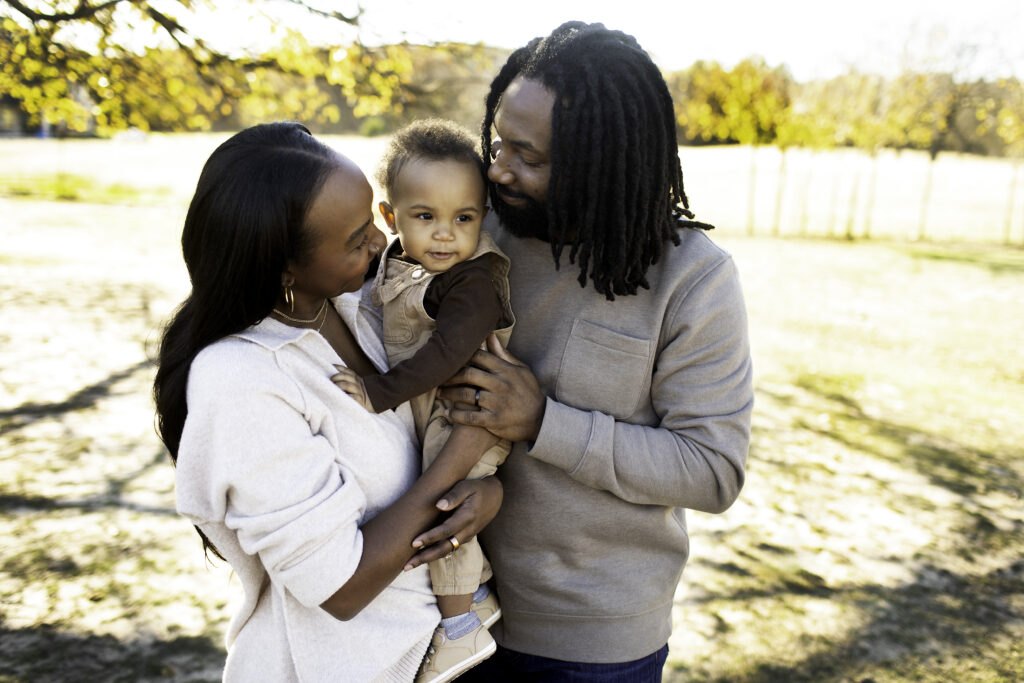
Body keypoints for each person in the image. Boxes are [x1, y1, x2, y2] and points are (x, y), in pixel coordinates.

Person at [439, 22, 755, 681]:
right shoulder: (475, 227)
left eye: (527, 155)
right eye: (498, 141)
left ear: (598, 162)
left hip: (590, 646)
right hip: (446, 613)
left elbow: (712, 468)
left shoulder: (693, 279)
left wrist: (541, 422)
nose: (497, 168)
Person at [152, 122, 503, 682]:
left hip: (448, 646)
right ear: (284, 266)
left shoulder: (362, 306)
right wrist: (468, 451)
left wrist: (484, 491)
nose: (378, 241)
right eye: (354, 237)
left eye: (372, 219)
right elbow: (339, 586)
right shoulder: (242, 380)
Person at [331, 119, 514, 681]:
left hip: (467, 413)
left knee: (443, 509)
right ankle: (476, 599)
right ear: (390, 219)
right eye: (425, 217)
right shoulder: (393, 263)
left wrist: (378, 393)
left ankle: (459, 629)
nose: (445, 235)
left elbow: (450, 353)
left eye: (464, 218)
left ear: (482, 216)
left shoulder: (474, 280)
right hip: (431, 410)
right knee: (438, 500)